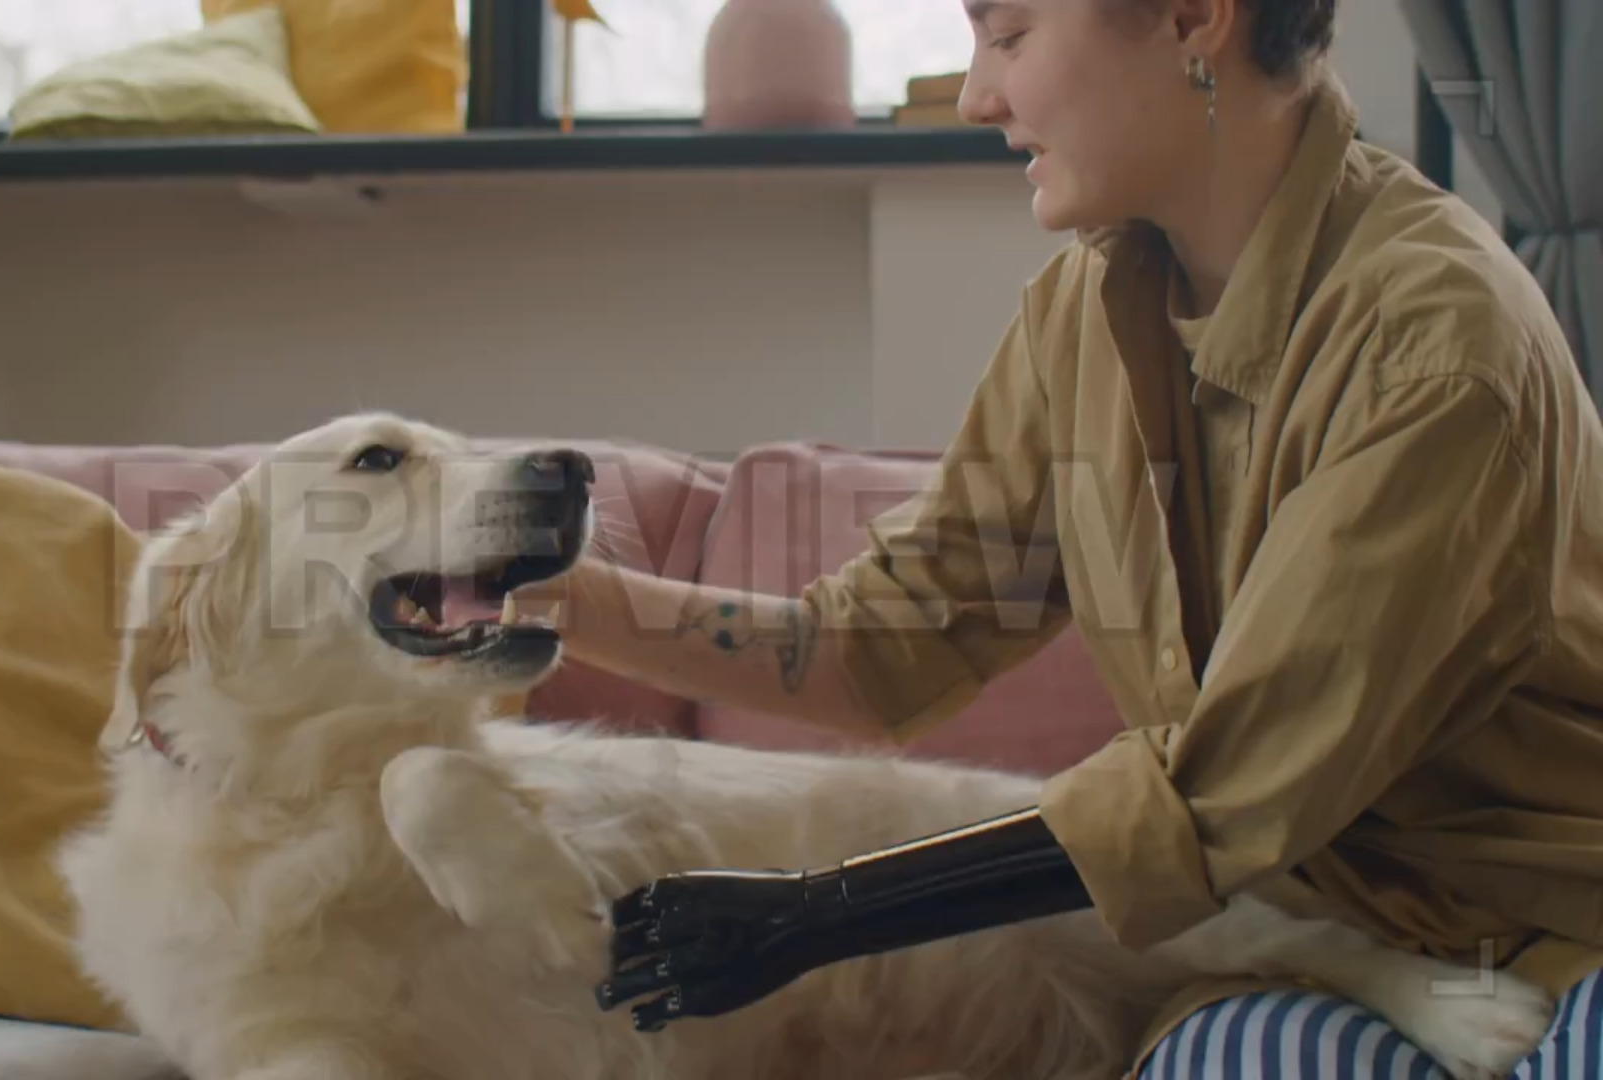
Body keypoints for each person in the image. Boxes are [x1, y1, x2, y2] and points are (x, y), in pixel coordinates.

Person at [510, 0, 1603, 1075]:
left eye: (1009, 35)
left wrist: (813, 914)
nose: (977, 96)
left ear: (1193, 19)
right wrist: (554, 594)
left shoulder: (1435, 352)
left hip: (1560, 941)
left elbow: (1214, 792)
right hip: (1324, 954)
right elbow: (891, 641)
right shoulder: (1087, 316)